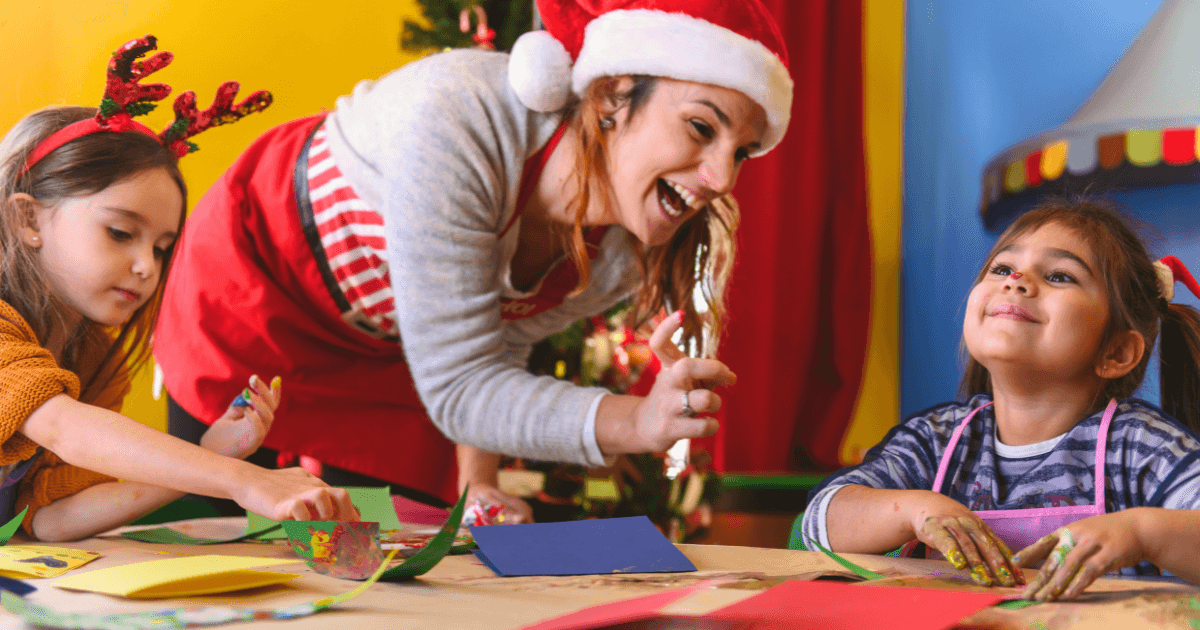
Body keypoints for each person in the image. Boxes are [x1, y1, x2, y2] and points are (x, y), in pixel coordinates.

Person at [153, 0, 794, 517]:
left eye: (741, 151)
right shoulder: (455, 118)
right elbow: (461, 387)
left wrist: (478, 483)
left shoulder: (622, 249)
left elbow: (494, 351)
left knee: (380, 551)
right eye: (702, 128)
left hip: (386, 352)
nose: (721, 178)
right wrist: (636, 421)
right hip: (254, 287)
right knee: (209, 523)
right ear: (612, 95)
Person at [0, 35, 358, 541]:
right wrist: (247, 479)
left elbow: (48, 519)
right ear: (27, 218)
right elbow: (64, 430)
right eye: (121, 233)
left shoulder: (92, 355)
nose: (147, 266)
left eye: (163, 247)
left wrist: (212, 458)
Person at [800, 198, 1200, 601]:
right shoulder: (938, 440)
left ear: (1116, 352)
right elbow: (818, 521)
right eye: (1003, 268)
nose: (1017, 280)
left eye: (1060, 276)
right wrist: (915, 511)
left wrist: (1141, 532)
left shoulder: (1139, 446)